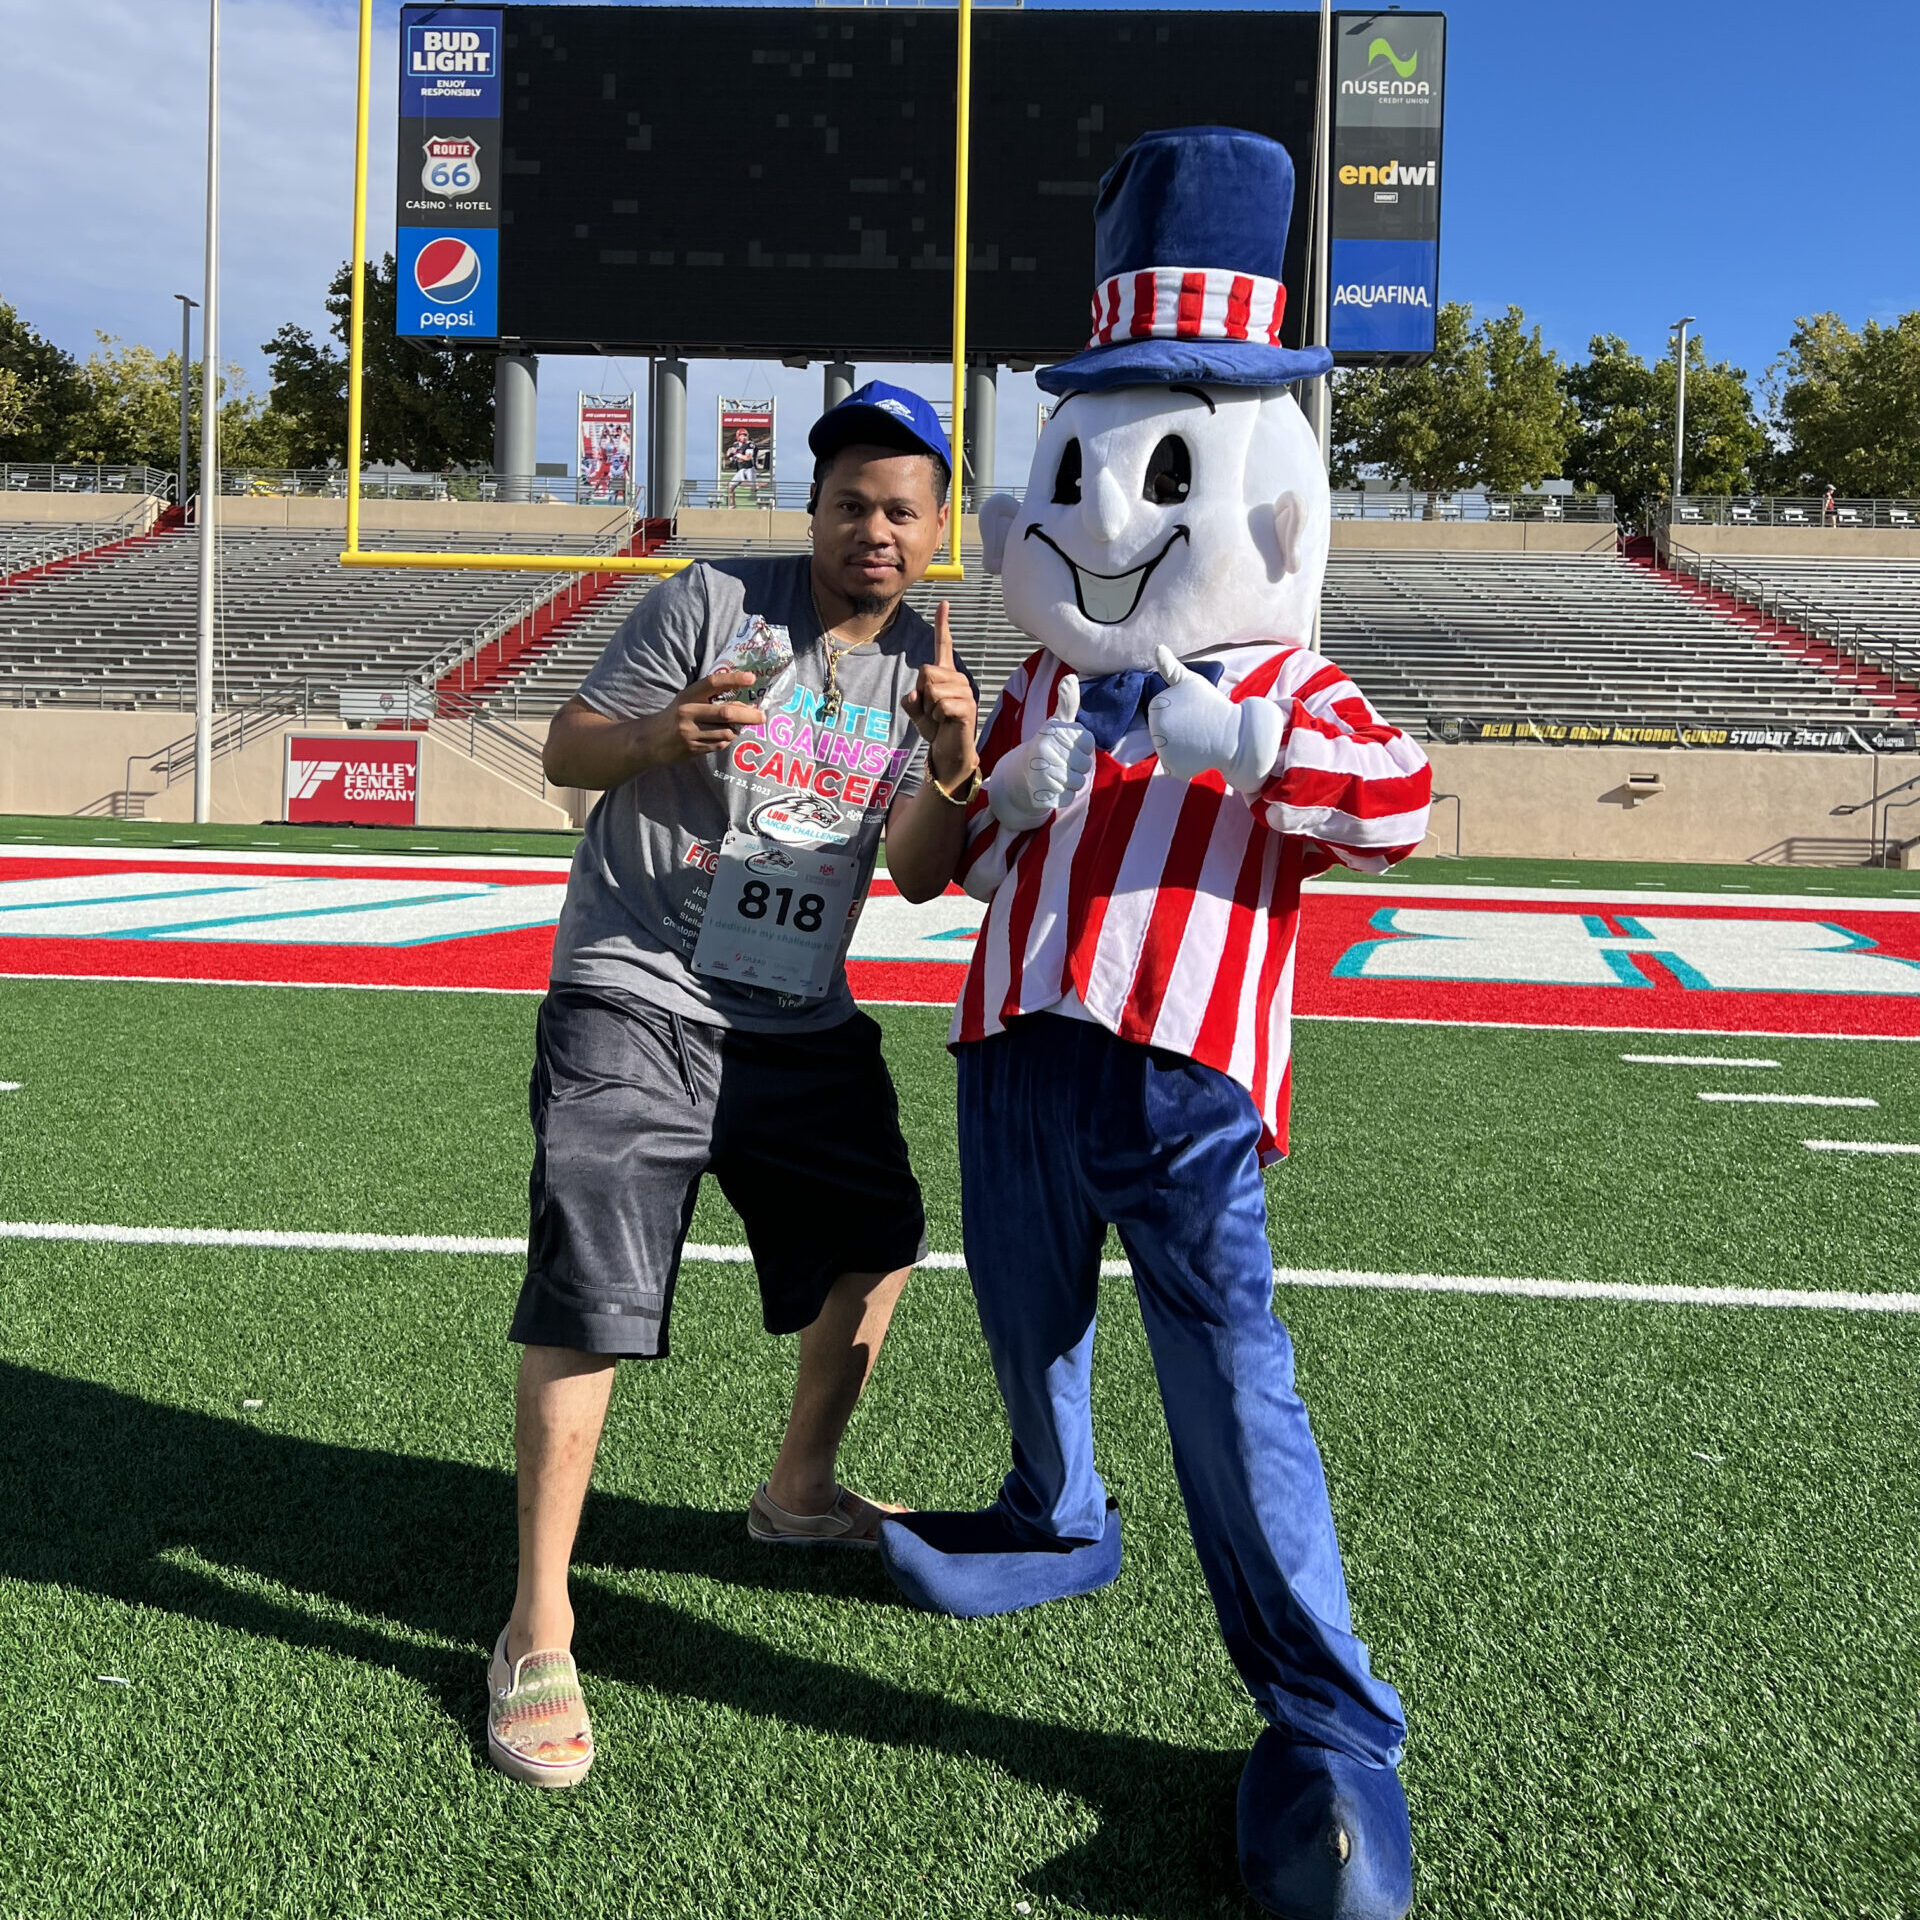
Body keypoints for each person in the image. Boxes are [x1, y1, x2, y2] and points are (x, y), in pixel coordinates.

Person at [486, 380, 981, 1789]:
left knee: (879, 1235)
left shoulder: (935, 667)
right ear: (812, 511)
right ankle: (538, 1621)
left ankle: (798, 1491)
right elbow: (565, 749)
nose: (871, 530)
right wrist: (662, 739)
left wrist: (953, 760)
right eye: (847, 505)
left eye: (900, 510)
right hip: (636, 983)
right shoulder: (713, 602)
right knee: (593, 1282)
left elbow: (924, 871)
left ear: (934, 527)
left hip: (793, 1007)